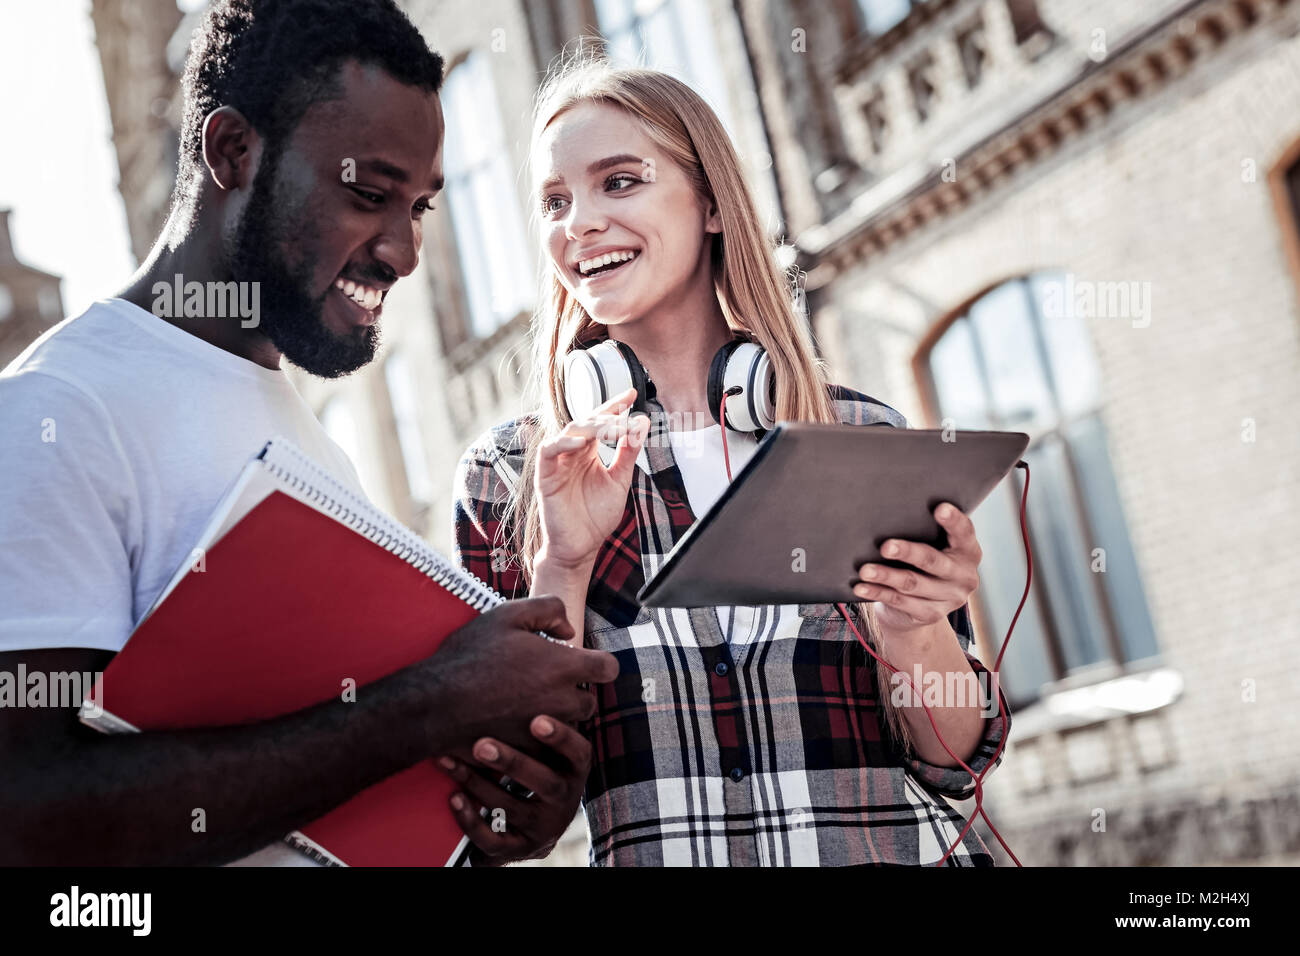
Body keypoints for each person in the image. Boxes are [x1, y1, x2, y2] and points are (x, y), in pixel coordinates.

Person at [0, 0, 616, 867]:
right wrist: (428, 706)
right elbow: (26, 819)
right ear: (232, 153)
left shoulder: (304, 437)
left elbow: (317, 800)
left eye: (422, 207)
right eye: (368, 195)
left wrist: (490, 815)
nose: (403, 252)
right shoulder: (56, 413)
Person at [452, 57, 1012, 866]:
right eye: (554, 200)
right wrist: (562, 565)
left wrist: (913, 629)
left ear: (712, 205)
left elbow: (952, 759)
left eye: (619, 181)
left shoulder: (855, 432)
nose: (578, 223)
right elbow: (510, 800)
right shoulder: (509, 476)